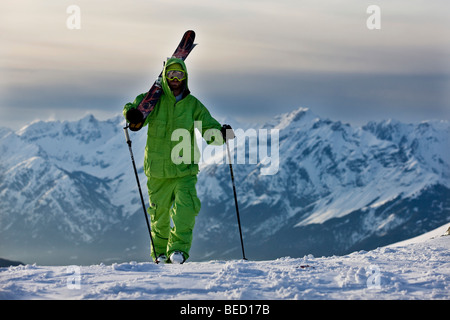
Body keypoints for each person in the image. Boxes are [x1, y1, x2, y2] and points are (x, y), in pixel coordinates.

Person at [123, 57, 234, 264]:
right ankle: (160, 253)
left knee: (186, 211)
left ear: (185, 77)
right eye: (171, 74)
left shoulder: (193, 105)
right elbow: (135, 108)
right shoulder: (153, 101)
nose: (175, 78)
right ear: (165, 77)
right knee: (159, 215)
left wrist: (221, 134)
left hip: (185, 170)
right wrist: (132, 114)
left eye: (179, 74)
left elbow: (208, 127)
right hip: (157, 170)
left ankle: (178, 251)